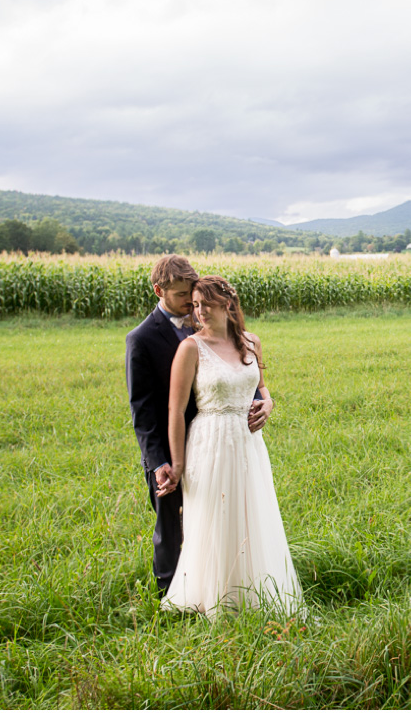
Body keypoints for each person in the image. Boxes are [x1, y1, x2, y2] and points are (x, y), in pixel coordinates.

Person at [125, 255, 272, 596]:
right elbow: (143, 411)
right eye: (183, 297)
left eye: (197, 298)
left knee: (222, 517)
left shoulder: (204, 324)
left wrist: (266, 401)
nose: (194, 307)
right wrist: (161, 462)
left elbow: (244, 376)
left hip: (226, 439)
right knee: (171, 525)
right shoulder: (142, 338)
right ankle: (170, 594)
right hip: (171, 444)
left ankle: (232, 583)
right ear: (159, 291)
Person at [158, 275, 304, 617]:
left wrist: (268, 403)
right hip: (210, 441)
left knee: (253, 513)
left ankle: (256, 594)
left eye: (206, 304)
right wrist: (177, 465)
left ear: (227, 304)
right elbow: (176, 410)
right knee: (216, 519)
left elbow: (262, 386)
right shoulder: (191, 347)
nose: (199, 311)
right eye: (195, 305)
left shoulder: (251, 342)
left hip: (249, 442)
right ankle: (217, 600)